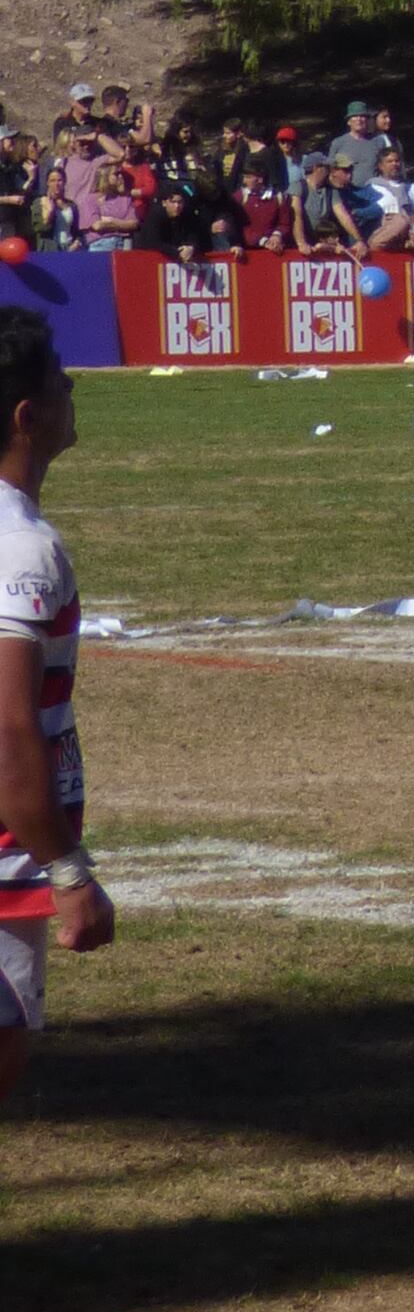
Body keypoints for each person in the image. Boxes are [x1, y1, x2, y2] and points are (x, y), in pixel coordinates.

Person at [0, 313, 102, 1122]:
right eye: (61, 380)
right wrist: (68, 871)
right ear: (26, 416)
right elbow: (8, 727)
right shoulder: (21, 549)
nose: (74, 391)